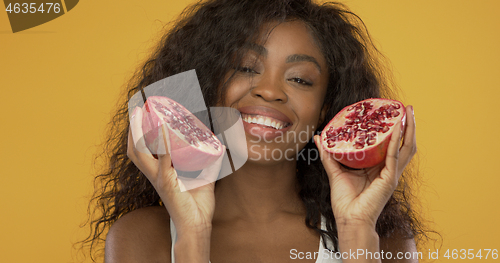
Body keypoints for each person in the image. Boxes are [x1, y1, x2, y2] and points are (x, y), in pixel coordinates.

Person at [81, 0, 429, 262]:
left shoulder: (384, 238)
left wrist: (356, 231)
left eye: (300, 79)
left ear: (326, 109)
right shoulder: (144, 238)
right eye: (247, 68)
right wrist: (192, 233)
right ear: (210, 86)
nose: (269, 90)